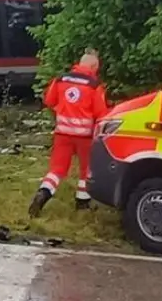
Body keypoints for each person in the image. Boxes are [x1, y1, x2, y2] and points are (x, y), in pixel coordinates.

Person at [30, 49, 109, 216]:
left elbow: (49, 101)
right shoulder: (94, 86)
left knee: (57, 169)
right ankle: (82, 203)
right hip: (85, 136)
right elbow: (100, 113)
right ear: (94, 66)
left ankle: (43, 193)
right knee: (86, 170)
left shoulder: (61, 79)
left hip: (62, 133)